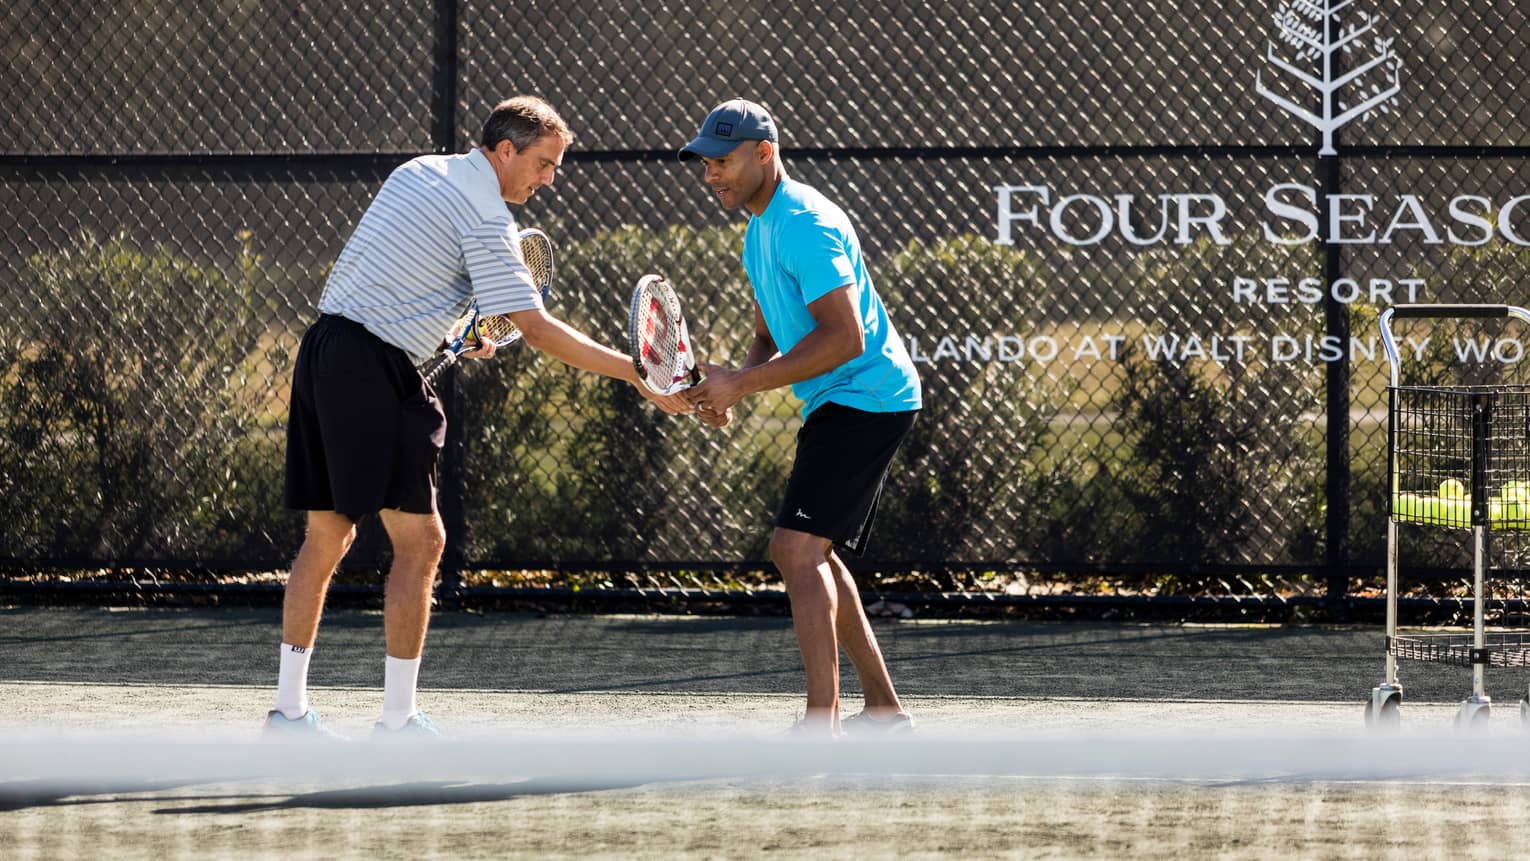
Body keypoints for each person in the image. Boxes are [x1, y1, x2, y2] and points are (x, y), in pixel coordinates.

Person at [267, 96, 692, 740]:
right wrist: (641, 373)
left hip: (324, 349)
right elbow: (539, 331)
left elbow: (398, 275)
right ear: (504, 151)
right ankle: (399, 722)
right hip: (374, 370)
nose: (549, 179)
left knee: (328, 536)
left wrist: (445, 336)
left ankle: (288, 714)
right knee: (424, 542)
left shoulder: (417, 171)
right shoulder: (488, 216)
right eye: (543, 164)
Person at [678, 99, 921, 736]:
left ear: (764, 153)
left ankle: (822, 724)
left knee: (794, 549)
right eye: (706, 163)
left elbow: (844, 338)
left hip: (865, 394)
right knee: (816, 554)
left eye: (723, 161)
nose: (711, 175)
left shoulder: (805, 223)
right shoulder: (759, 229)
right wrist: (732, 385)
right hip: (839, 398)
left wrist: (745, 383)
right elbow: (770, 332)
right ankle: (884, 712)